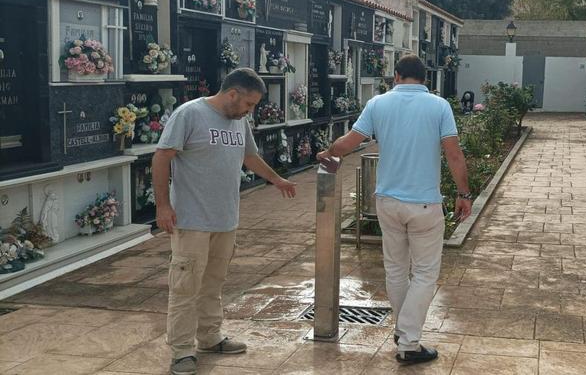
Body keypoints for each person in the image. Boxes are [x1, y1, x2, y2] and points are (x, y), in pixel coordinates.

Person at [317, 54, 472, 366]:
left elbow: (349, 142)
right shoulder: (439, 106)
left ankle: (404, 332)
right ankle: (409, 341)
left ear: (397, 76)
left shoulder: (378, 104)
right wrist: (464, 193)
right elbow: (454, 155)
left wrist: (329, 152)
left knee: (397, 270)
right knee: (426, 272)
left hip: (387, 201)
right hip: (424, 203)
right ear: (424, 78)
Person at [152, 68, 296, 375]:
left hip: (225, 219)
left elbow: (249, 156)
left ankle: (210, 336)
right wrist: (163, 206)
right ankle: (181, 350)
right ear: (233, 94)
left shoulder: (238, 121)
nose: (250, 110)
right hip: (191, 219)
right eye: (249, 104)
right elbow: (162, 156)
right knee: (185, 285)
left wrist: (277, 180)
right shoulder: (189, 114)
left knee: (213, 283)